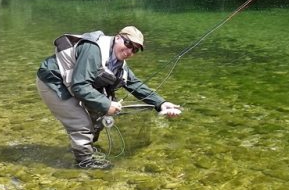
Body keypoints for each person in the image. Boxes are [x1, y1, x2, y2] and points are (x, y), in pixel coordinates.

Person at [36, 26, 181, 169]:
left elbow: (134, 84)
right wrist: (106, 104)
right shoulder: (93, 49)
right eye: (128, 43)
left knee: (97, 115)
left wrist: (161, 103)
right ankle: (85, 162)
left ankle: (83, 148)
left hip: (72, 82)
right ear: (118, 37)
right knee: (80, 122)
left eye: (135, 49)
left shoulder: (119, 64)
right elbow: (80, 86)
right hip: (53, 81)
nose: (129, 51)